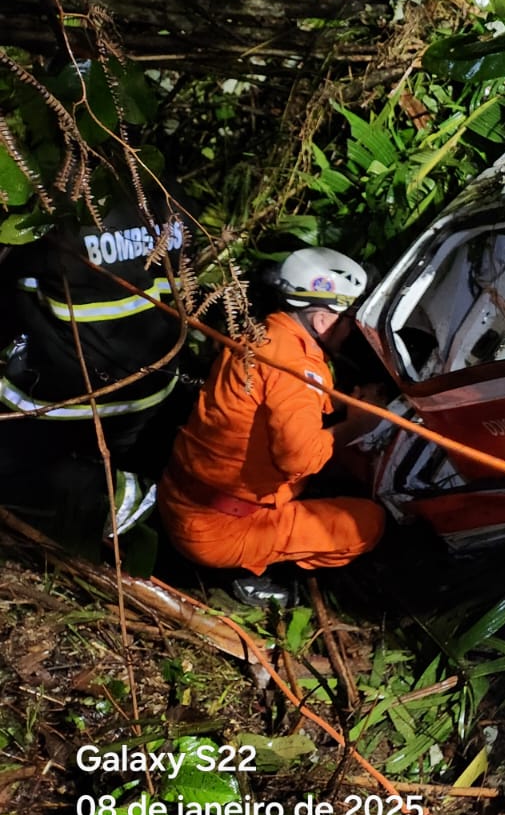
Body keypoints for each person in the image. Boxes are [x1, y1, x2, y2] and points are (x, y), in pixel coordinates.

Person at [157, 247, 386, 583]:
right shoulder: (296, 367)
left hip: (182, 497)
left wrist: (341, 405)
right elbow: (299, 460)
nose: (354, 331)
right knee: (367, 524)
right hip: (220, 528)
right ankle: (256, 575)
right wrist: (356, 425)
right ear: (323, 320)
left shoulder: (267, 334)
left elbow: (280, 401)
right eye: (351, 320)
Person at [0, 176, 191, 555]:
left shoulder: (52, 209)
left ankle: (101, 498)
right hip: (151, 389)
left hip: (63, 399)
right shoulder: (168, 195)